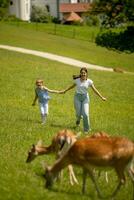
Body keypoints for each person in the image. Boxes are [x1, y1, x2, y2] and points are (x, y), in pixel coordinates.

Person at [63, 67, 107, 134]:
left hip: (85, 98)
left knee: (85, 114)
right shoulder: (77, 80)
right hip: (77, 97)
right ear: (80, 73)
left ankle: (87, 129)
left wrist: (101, 97)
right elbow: (72, 86)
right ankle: (78, 120)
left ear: (86, 74)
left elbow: (95, 90)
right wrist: (65, 90)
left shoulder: (89, 81)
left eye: (84, 73)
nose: (83, 74)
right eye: (82, 73)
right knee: (78, 114)